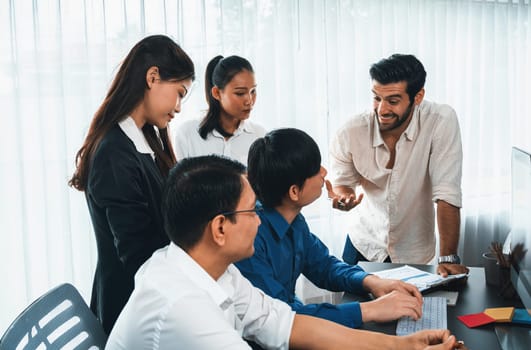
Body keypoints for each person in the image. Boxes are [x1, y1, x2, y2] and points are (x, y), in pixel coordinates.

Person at [105, 155, 462, 350]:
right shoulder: (183, 307)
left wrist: (404, 348)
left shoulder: (214, 270)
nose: (259, 221)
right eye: (250, 211)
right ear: (219, 228)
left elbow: (287, 324)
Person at [235, 127, 423, 329]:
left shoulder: (293, 218)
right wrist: (370, 310)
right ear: (294, 191)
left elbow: (324, 266)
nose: (324, 172)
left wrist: (371, 281)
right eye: (316, 169)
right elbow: (279, 319)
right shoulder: (249, 239)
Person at [68, 34, 195, 334]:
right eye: (179, 93)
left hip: (150, 295)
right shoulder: (115, 152)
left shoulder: (145, 141)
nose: (178, 107)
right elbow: (138, 254)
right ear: (153, 77)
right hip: (131, 308)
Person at [328, 53, 469, 277]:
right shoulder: (350, 131)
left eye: (393, 101)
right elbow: (342, 184)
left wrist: (448, 258)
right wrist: (343, 197)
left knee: (415, 311)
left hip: (414, 252)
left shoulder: (441, 121)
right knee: (356, 311)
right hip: (363, 245)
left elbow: (447, 192)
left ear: (418, 96)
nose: (382, 110)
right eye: (376, 98)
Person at [173, 55, 266, 165]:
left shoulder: (259, 136)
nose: (249, 101)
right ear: (217, 93)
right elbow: (179, 181)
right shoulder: (187, 134)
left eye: (253, 91)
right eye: (240, 93)